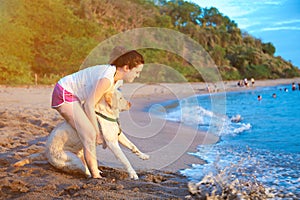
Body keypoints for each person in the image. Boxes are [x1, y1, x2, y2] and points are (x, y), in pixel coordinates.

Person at [51, 47, 144, 178]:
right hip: (63, 93)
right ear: (126, 67)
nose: (138, 75)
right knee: (90, 133)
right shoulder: (107, 79)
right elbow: (89, 104)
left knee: (86, 130)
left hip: (75, 96)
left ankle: (87, 164)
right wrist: (97, 132)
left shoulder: (117, 79)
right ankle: (95, 175)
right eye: (137, 72)